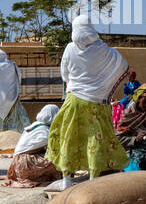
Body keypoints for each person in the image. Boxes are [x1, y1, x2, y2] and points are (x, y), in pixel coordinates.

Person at [46, 14, 130, 180]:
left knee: (68, 138)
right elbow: (123, 66)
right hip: (98, 103)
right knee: (96, 140)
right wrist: (100, 86)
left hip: (74, 101)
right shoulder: (106, 51)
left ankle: (67, 180)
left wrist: (76, 84)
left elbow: (65, 74)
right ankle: (93, 177)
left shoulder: (70, 48)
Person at [5, 105, 62, 187]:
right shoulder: (45, 131)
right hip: (26, 164)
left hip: (17, 166)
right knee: (60, 160)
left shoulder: (34, 126)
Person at [0, 49, 30, 134]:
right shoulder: (12, 65)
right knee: (14, 119)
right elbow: (18, 78)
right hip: (12, 98)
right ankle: (14, 135)